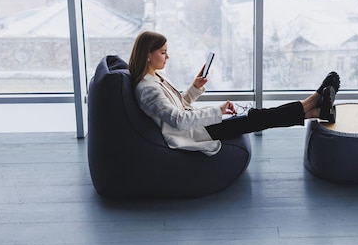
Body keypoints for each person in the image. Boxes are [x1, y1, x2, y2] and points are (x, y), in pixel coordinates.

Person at [128, 30, 340, 156]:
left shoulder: (154, 78)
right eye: (163, 52)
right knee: (259, 118)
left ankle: (316, 110)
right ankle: (314, 101)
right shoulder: (147, 89)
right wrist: (217, 111)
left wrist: (194, 88)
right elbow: (179, 121)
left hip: (200, 126)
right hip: (196, 133)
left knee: (259, 117)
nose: (168, 57)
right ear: (147, 55)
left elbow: (177, 106)